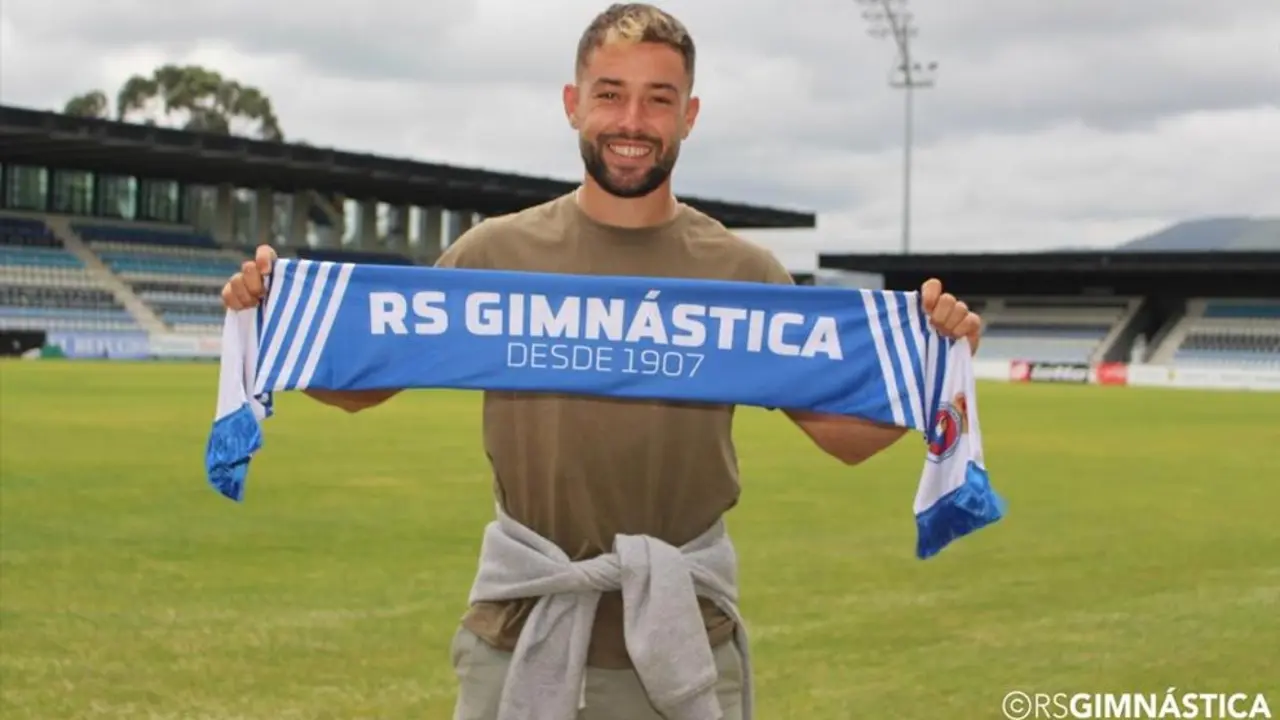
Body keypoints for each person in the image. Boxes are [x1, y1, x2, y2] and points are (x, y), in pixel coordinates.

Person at [221, 4, 983, 718]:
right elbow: (364, 387)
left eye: (658, 99)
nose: (632, 121)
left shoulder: (741, 273)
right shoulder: (498, 254)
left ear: (689, 115)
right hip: (520, 628)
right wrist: (267, 321)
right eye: (610, 94)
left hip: (683, 638)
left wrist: (938, 367)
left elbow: (842, 437)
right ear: (572, 102)